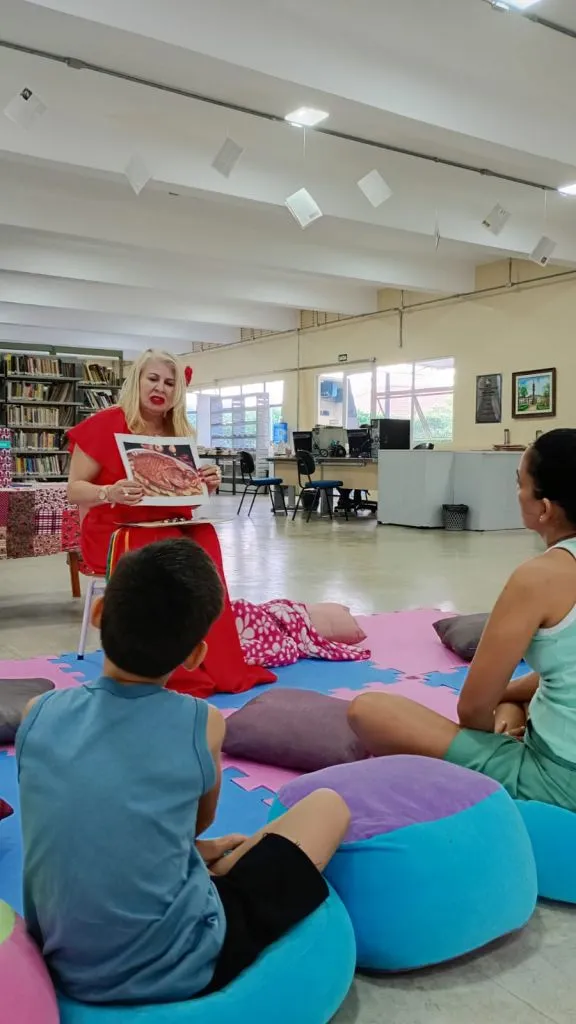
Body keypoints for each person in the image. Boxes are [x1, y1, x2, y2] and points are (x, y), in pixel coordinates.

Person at [17, 538, 350, 1005]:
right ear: (195, 655)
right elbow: (196, 822)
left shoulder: (38, 712)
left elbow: (95, 810)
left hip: (63, 962)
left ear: (98, 615)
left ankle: (218, 864)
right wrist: (201, 847)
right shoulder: (202, 723)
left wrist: (199, 848)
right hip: (184, 960)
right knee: (327, 806)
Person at [347, 429, 576, 813]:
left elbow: (471, 710)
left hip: (558, 785)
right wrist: (508, 698)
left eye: (520, 484)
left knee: (368, 711)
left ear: (545, 508)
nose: (517, 493)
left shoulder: (541, 577)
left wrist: (492, 734)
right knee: (512, 708)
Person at [67, 348, 274, 697]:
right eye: (153, 378)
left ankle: (216, 662)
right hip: (117, 530)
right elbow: (75, 490)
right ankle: (163, 664)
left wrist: (204, 482)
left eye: (169, 382)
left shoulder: (178, 430)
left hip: (167, 523)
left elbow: (184, 499)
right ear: (137, 381)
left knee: (205, 540)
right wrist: (110, 492)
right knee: (158, 555)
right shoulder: (103, 424)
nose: (160, 387)